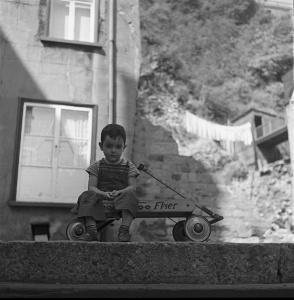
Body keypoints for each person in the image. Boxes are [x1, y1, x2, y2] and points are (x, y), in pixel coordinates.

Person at [71, 124, 140, 242]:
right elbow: (91, 187)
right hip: (101, 198)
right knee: (86, 195)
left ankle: (124, 231)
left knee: (131, 195)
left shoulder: (129, 166)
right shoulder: (96, 166)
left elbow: (132, 187)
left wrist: (120, 192)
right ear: (101, 146)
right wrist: (103, 194)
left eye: (118, 147)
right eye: (109, 146)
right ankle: (92, 231)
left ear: (124, 147)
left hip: (121, 198)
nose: (113, 151)